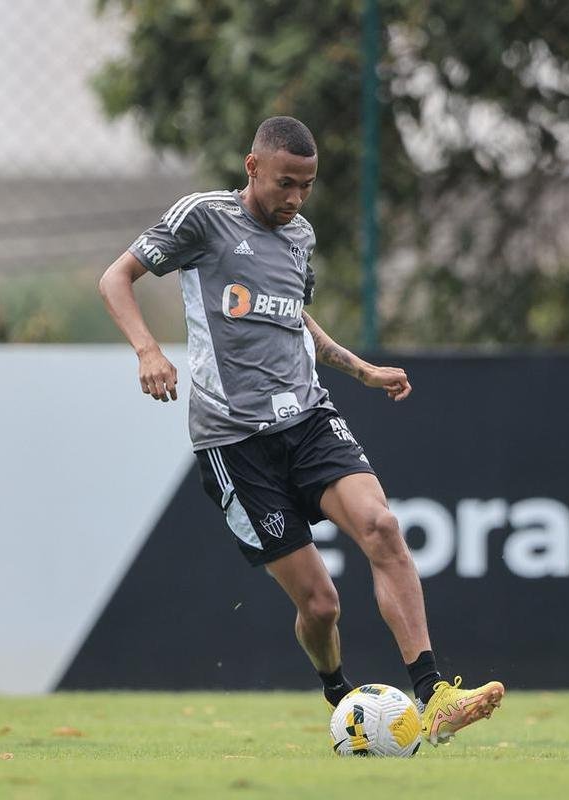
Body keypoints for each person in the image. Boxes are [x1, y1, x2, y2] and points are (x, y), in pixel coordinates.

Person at [98, 115, 504, 744]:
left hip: (308, 417)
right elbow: (114, 278)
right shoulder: (201, 217)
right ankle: (339, 695)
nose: (294, 199)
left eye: (306, 186)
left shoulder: (300, 236)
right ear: (252, 167)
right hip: (234, 442)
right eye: (285, 183)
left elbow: (295, 318)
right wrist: (148, 350)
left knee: (383, 526)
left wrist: (359, 367)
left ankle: (436, 692)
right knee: (320, 605)